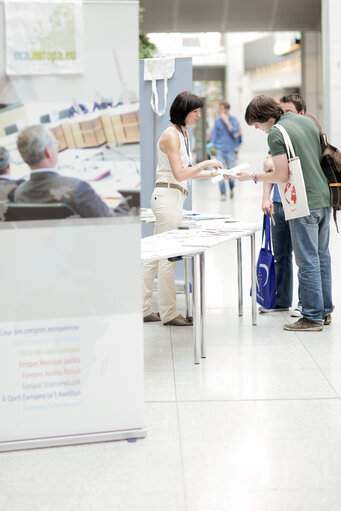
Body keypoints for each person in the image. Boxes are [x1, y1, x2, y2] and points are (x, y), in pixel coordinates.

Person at [236, 95, 333, 332]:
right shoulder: (308, 122)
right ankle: (324, 311)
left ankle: (311, 317)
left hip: (302, 202)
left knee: (306, 259)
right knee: (321, 257)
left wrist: (254, 177)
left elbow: (281, 175)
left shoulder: (277, 133)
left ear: (266, 117)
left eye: (257, 124)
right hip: (323, 198)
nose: (257, 129)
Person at [143, 91, 223, 327]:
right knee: (169, 257)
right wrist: (205, 163)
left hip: (173, 196)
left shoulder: (182, 133)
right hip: (167, 197)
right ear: (184, 111)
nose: (199, 115)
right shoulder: (171, 135)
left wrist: (214, 173)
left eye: (200, 111)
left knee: (154, 257)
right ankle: (169, 313)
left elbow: (186, 172)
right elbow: (180, 173)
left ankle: (143, 308)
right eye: (195, 111)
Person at [13, 125, 128, 218]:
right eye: (55, 144)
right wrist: (129, 200)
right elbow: (112, 224)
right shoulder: (77, 189)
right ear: (48, 151)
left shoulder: (19, 194)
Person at [260, 93, 306, 317]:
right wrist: (266, 197)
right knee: (281, 254)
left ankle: (304, 302)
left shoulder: (303, 132)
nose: (283, 117)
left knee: (303, 256)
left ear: (301, 113)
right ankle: (281, 299)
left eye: (288, 113)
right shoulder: (278, 135)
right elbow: (270, 169)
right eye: (282, 112)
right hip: (279, 202)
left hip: (299, 203)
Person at [209, 101, 241, 200]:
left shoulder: (233, 120)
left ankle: (231, 188)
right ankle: (223, 193)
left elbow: (235, 133)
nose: (221, 111)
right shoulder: (217, 121)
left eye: (222, 109)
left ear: (227, 110)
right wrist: (212, 151)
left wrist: (227, 122)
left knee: (231, 172)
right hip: (220, 150)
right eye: (220, 109)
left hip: (230, 149)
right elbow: (214, 136)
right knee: (221, 171)